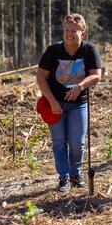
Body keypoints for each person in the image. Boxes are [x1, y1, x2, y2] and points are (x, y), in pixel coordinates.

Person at [36, 14, 102, 192]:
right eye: (66, 30)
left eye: (74, 31)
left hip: (78, 104)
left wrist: (80, 87)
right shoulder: (53, 50)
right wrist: (52, 102)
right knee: (59, 141)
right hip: (55, 103)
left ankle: (76, 174)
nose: (69, 34)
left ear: (83, 33)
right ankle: (63, 177)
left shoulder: (89, 50)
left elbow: (96, 75)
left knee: (77, 142)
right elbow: (41, 77)